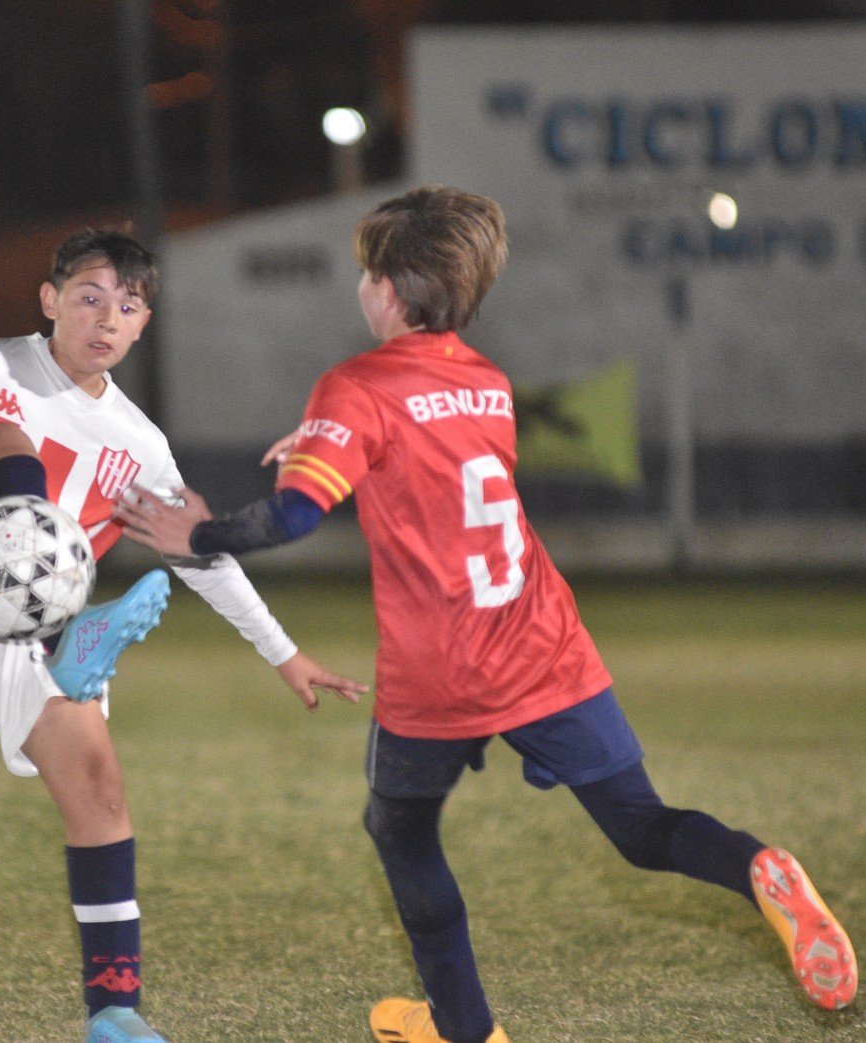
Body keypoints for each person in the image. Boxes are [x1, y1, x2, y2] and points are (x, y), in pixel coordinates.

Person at [115, 186, 857, 1042]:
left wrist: (194, 531)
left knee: (398, 830)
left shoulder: (354, 384)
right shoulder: (486, 382)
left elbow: (293, 516)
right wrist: (327, 440)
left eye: (366, 271)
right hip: (544, 642)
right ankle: (757, 864)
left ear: (387, 288)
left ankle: (464, 1029)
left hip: (442, 666)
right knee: (642, 827)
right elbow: (425, 458)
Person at [0, 228, 367, 1043]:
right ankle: (60, 633)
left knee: (99, 788)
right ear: (48, 300)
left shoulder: (138, 445)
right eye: (88, 297)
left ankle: (113, 1011)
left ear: (144, 324)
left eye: (128, 305)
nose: (106, 317)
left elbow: (198, 554)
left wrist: (283, 653)